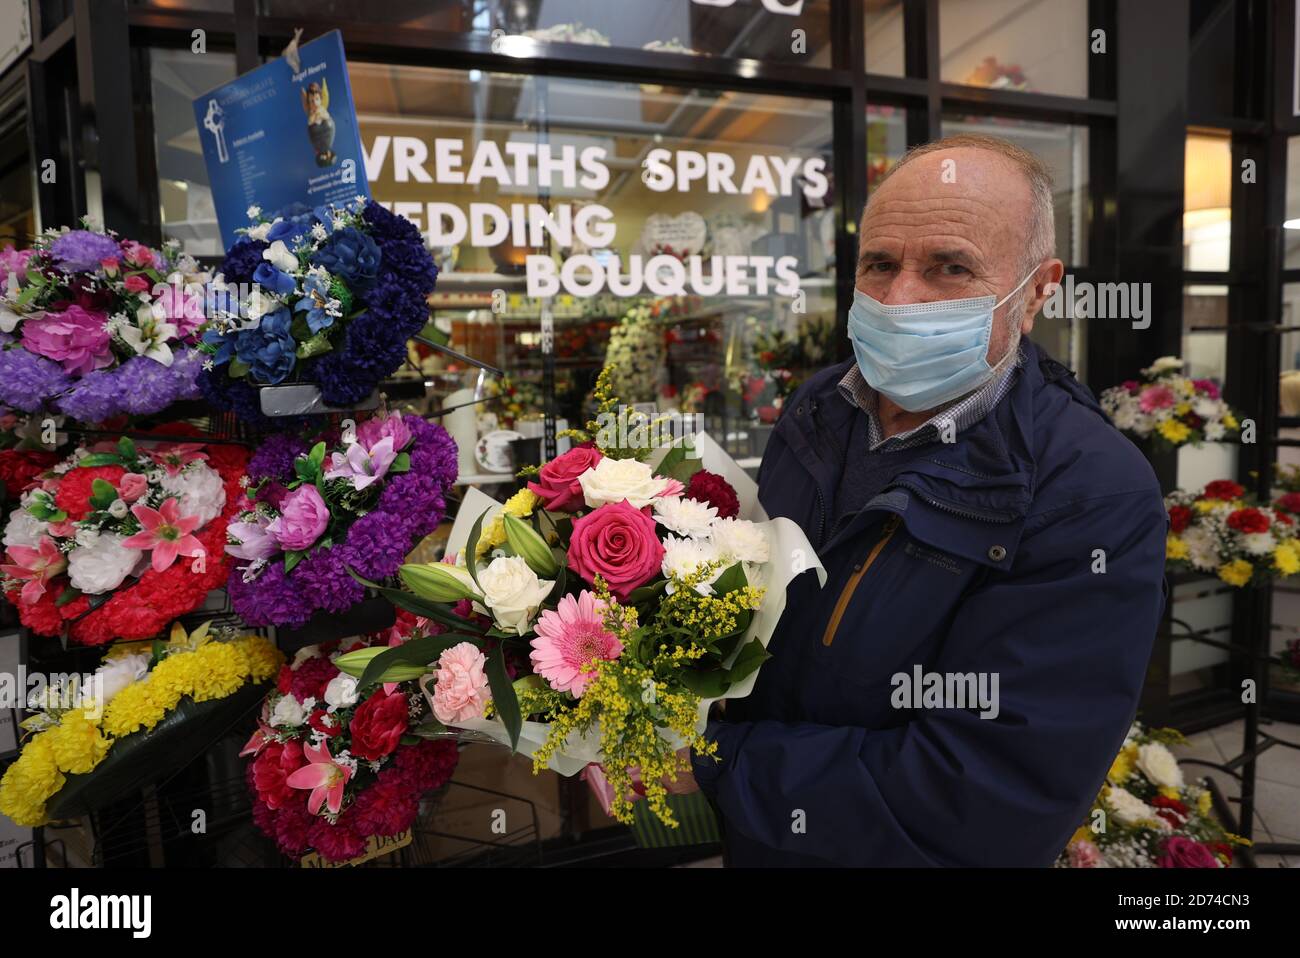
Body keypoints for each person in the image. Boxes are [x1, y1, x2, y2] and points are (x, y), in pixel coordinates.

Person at [680, 133, 1169, 866]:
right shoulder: (821, 407)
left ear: (1037, 291)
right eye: (879, 264)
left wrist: (717, 764)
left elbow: (984, 795)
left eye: (950, 267)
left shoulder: (1092, 495)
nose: (900, 298)